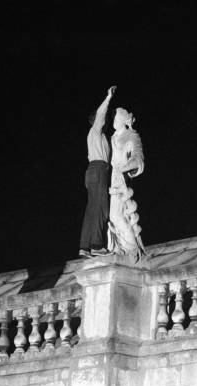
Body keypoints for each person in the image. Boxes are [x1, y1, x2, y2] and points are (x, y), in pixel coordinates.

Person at [79, 86, 116, 258]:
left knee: (92, 209)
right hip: (98, 170)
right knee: (101, 207)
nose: (105, 121)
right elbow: (101, 115)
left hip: (94, 171)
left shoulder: (99, 137)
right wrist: (108, 98)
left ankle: (85, 246)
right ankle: (96, 244)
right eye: (102, 119)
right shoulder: (95, 132)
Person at [107, 107, 145, 260]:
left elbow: (138, 158)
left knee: (117, 215)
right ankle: (120, 248)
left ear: (123, 120)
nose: (114, 121)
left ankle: (132, 249)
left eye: (116, 118)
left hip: (121, 181)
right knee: (111, 219)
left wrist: (124, 168)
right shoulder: (111, 138)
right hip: (109, 181)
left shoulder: (132, 135)